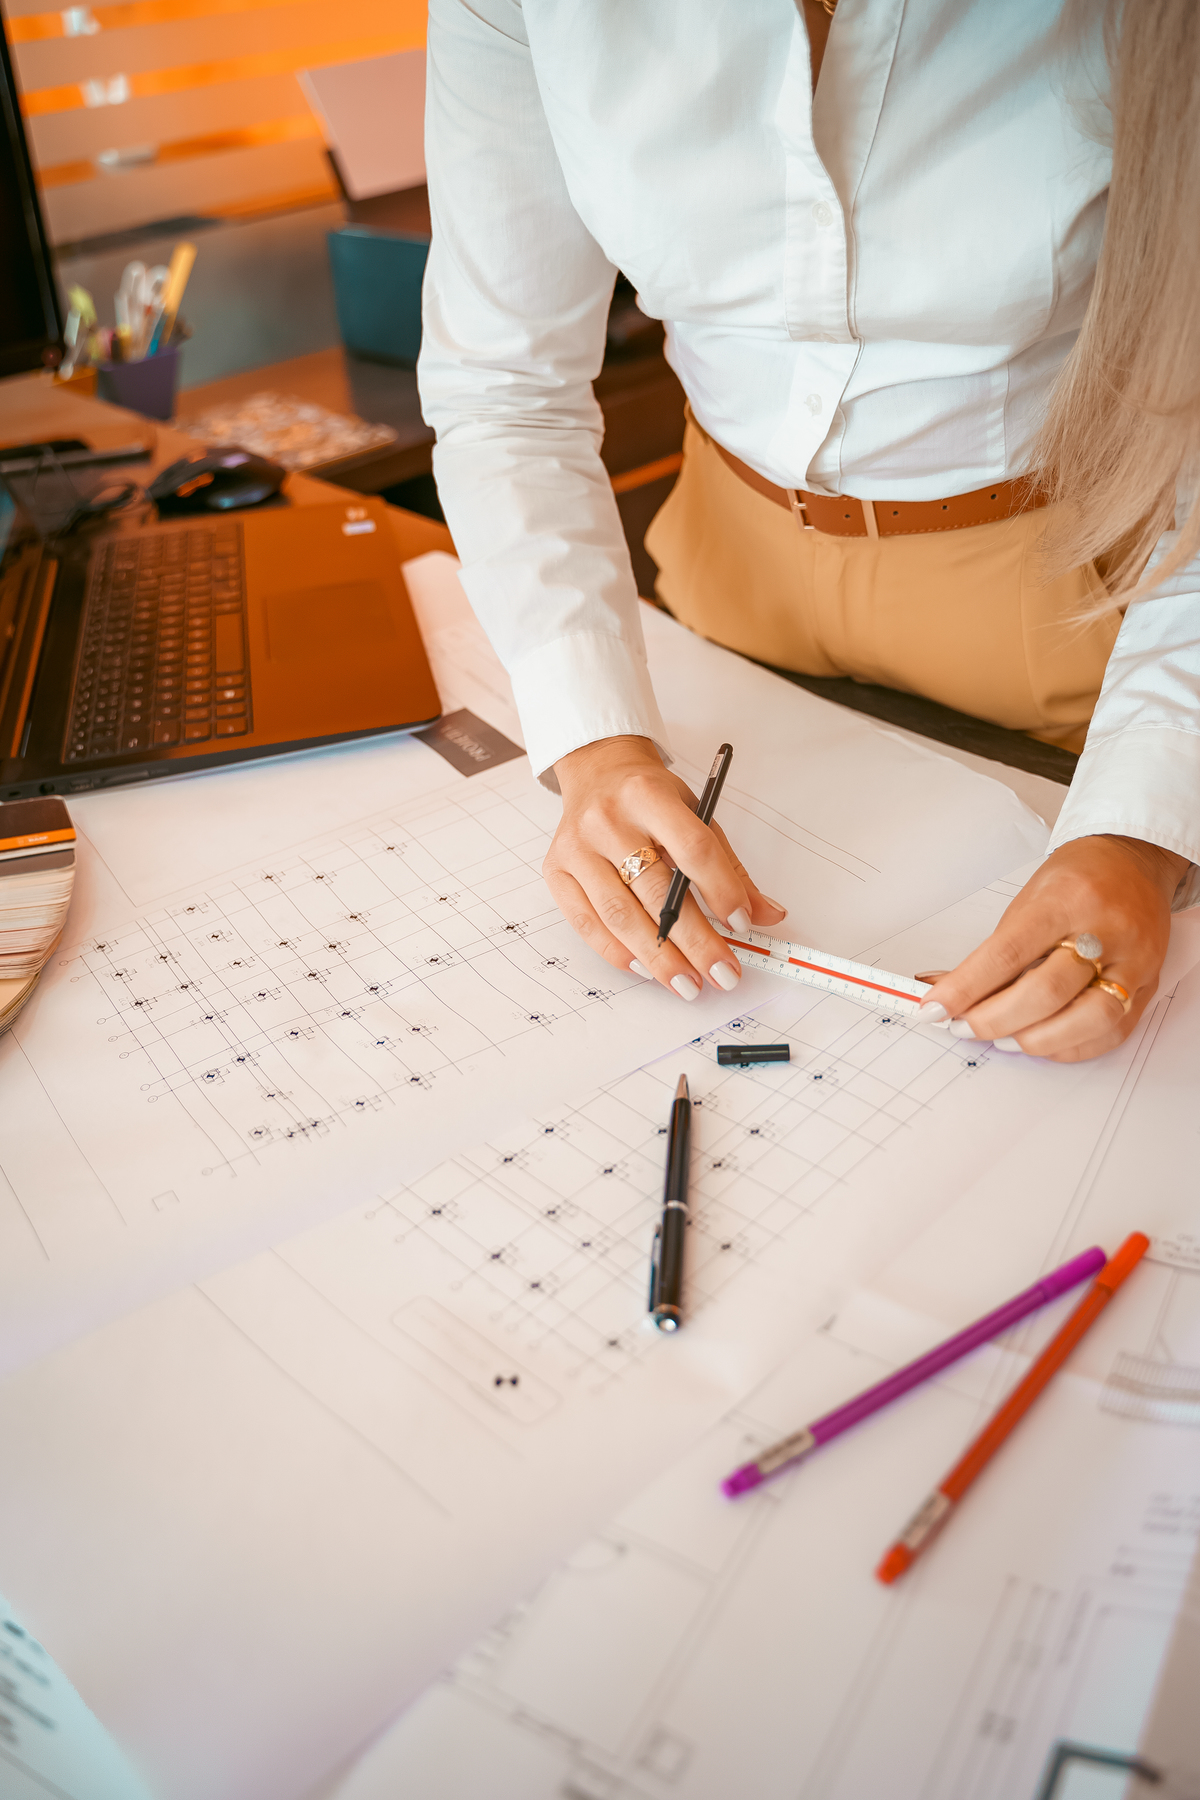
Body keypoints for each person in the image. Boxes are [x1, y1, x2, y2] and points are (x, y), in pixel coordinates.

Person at [418, 0, 1200, 1064]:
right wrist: (596, 747)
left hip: (1074, 597)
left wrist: (1138, 834)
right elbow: (503, 388)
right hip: (721, 571)